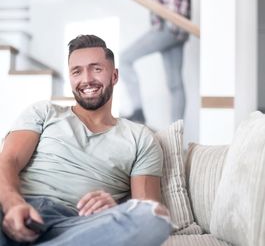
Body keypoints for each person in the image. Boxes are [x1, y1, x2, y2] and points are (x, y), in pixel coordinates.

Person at [0, 34, 172, 246]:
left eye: (96, 69)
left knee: (154, 218)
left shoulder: (140, 137)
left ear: (115, 76)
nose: (87, 79)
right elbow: (7, 162)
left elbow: (147, 205)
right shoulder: (44, 112)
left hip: (77, 226)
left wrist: (114, 210)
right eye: (77, 71)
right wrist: (14, 205)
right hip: (18, 209)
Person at [86, 0, 191, 124]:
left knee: (124, 58)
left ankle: (138, 110)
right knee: (175, 84)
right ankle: (177, 130)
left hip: (169, 27)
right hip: (173, 29)